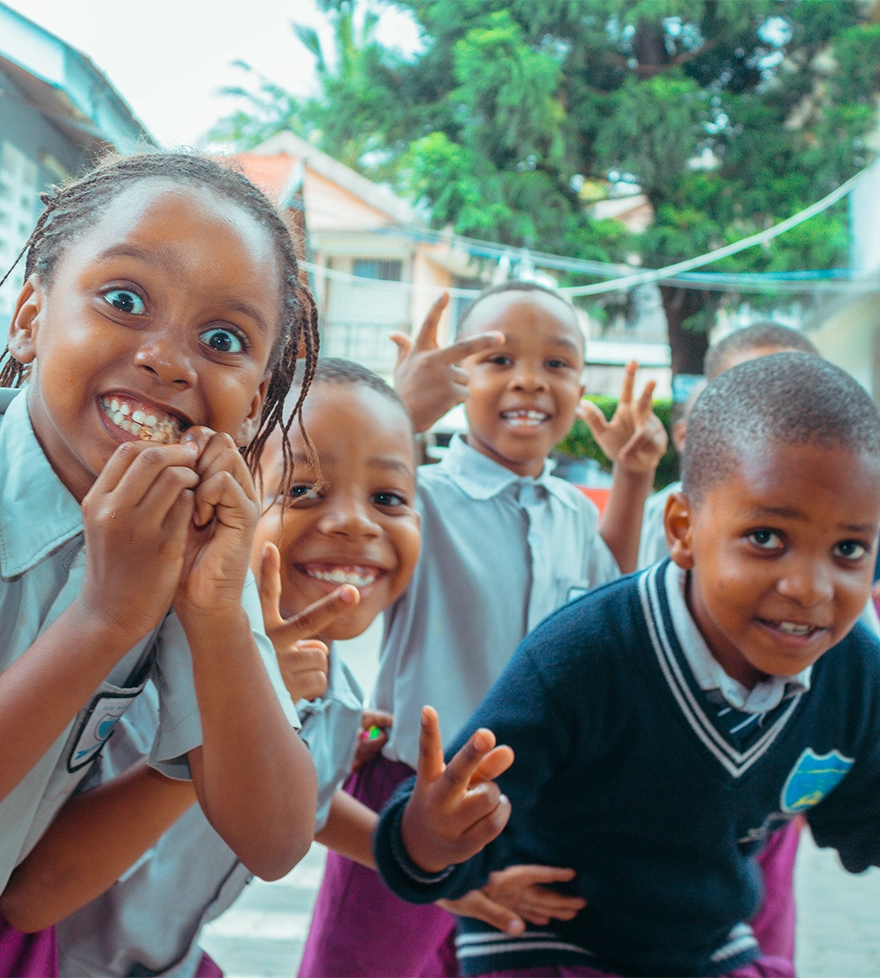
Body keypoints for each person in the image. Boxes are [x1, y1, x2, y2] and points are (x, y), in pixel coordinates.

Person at [5, 359, 551, 977]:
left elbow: (305, 808)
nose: (354, 521)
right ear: (219, 499)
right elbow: (33, 897)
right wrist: (222, 727)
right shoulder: (144, 657)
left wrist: (422, 853)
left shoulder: (335, 690)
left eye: (388, 497)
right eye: (299, 490)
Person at [375, 351, 880, 978]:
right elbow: (442, 832)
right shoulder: (583, 654)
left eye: (849, 548)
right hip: (547, 938)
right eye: (767, 538)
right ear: (683, 529)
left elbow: (864, 819)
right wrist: (431, 834)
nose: (811, 587)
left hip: (700, 942)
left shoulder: (854, 671)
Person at [0, 152, 321, 974]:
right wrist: (104, 620)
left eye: (223, 339)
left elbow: (277, 837)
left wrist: (213, 615)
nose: (170, 360)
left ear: (251, 402)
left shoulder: (194, 542)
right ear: (29, 316)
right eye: (124, 299)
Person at [299, 281, 669, 978]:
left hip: (520, 806)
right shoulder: (417, 499)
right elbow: (333, 536)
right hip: (408, 792)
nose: (529, 379)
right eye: (498, 359)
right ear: (460, 377)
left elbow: (609, 603)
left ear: (581, 383)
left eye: (557, 364)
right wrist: (401, 416)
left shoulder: (572, 511)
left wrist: (633, 476)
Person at [638, 321, 818, 567]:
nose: (772, 421)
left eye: (796, 402)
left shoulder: (847, 513)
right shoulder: (665, 516)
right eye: (747, 401)